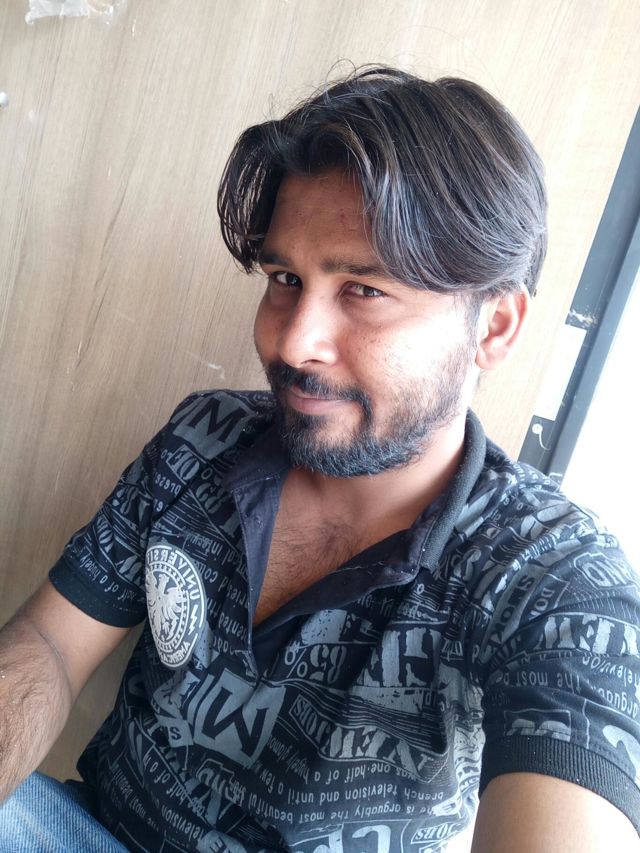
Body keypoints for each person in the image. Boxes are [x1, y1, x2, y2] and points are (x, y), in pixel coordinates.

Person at [0, 65, 638, 853]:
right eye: (284, 278)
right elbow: (51, 645)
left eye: (363, 289)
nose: (293, 341)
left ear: (495, 326)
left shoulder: (550, 576)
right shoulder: (204, 437)